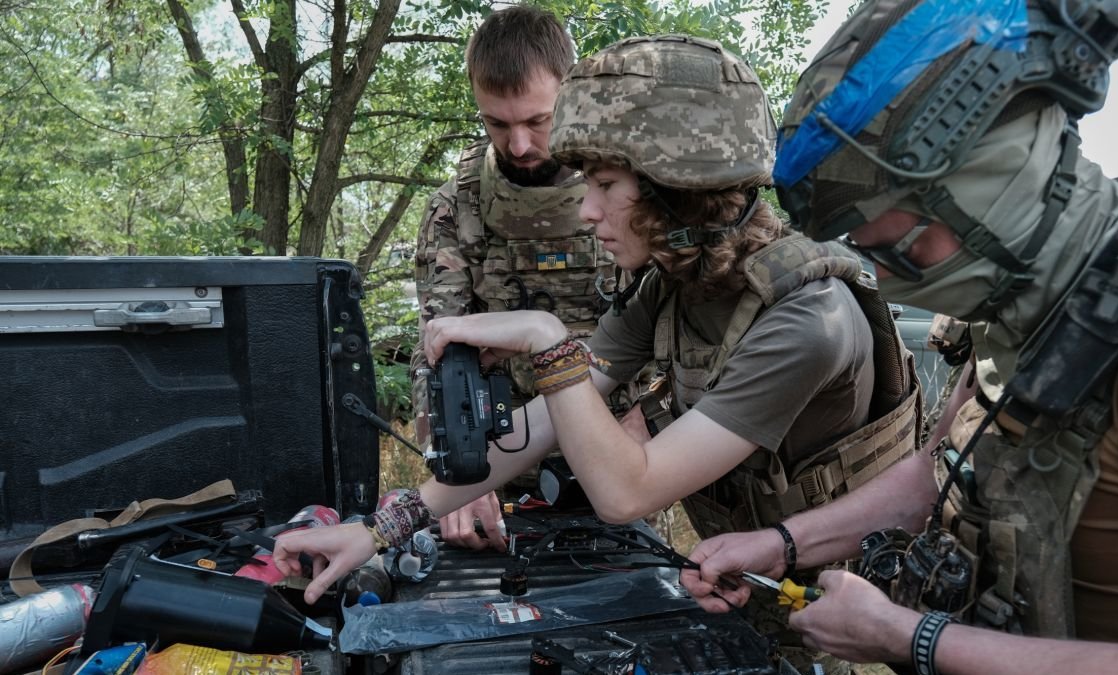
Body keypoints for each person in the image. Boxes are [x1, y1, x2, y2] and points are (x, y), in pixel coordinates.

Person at [274, 34, 920, 664]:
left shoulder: (807, 316)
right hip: (754, 582)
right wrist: (377, 531)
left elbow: (624, 491)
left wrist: (543, 336)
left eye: (605, 184)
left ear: (677, 188)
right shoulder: (675, 284)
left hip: (862, 616)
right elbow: (538, 423)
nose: (585, 211)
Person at [680, 1, 1118, 673]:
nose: (893, 284)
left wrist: (905, 635)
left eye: (905, 247)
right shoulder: (1016, 309)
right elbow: (931, 475)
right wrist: (778, 543)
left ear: (988, 188)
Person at [409, 6, 631, 544]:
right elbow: (439, 346)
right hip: (494, 457)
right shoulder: (457, 208)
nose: (520, 146)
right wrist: (457, 466)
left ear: (572, 94)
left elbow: (667, 328)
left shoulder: (626, 193)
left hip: (616, 452)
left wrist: (646, 417)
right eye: (497, 124)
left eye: (538, 120)